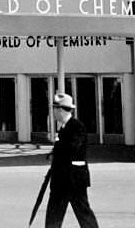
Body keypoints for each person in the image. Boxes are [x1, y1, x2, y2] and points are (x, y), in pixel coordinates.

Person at [45, 92, 100, 228]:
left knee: (83, 213)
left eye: (55, 109)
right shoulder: (64, 128)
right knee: (54, 214)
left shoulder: (77, 127)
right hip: (60, 180)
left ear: (60, 110)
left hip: (74, 180)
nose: (53, 112)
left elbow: (72, 149)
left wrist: (56, 152)